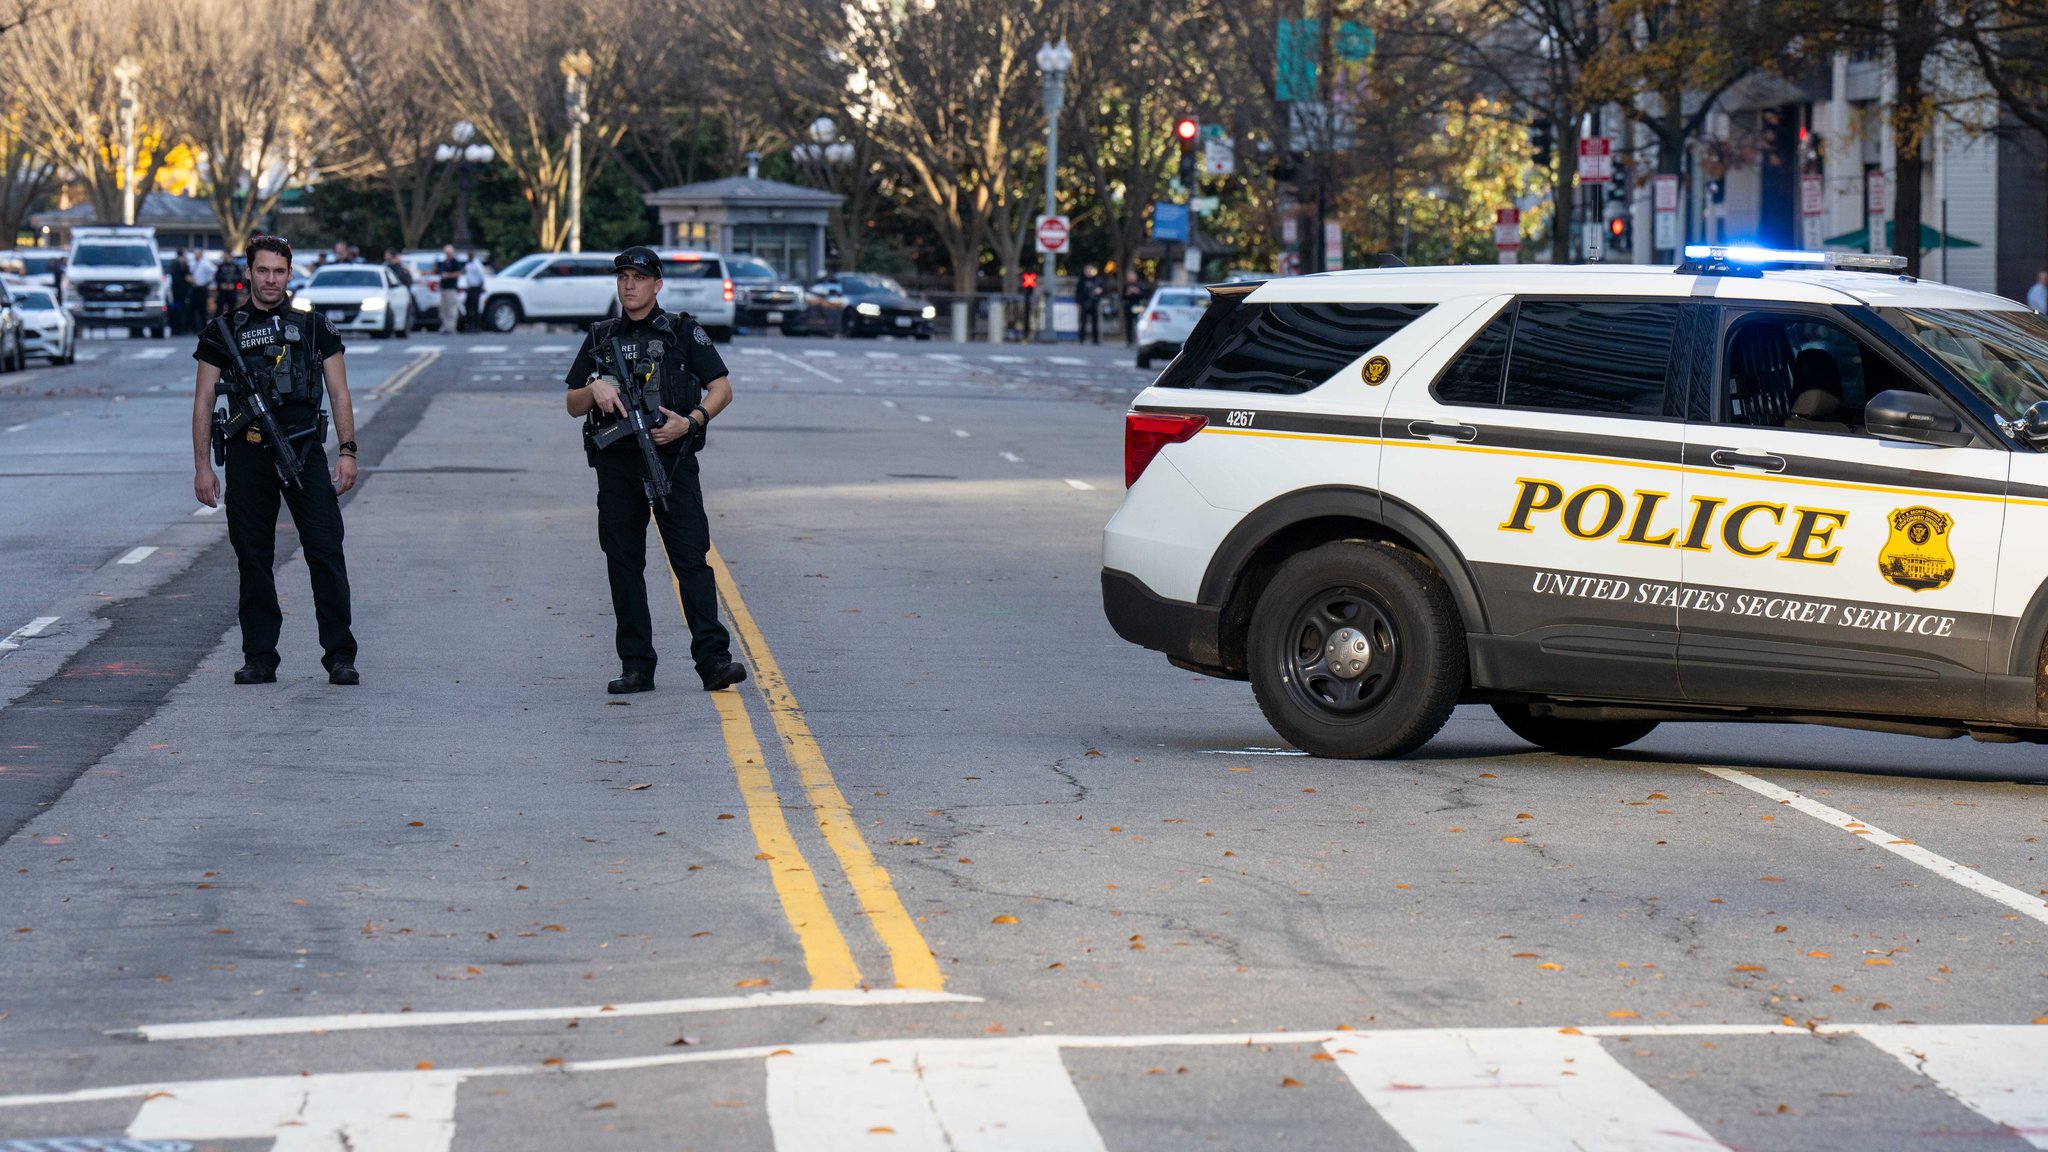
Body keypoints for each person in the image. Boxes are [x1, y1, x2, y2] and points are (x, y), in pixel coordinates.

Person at [562, 246, 745, 695]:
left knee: (691, 561)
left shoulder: (682, 331)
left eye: (639, 278)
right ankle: (637, 666)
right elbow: (571, 403)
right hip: (617, 465)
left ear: (656, 285)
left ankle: (714, 660)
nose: (629, 285)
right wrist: (596, 385)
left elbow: (722, 387)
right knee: (624, 564)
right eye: (622, 277)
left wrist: (692, 420)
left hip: (673, 461)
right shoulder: (602, 336)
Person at [190, 234, 360, 686]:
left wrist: (347, 451)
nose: (270, 279)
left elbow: (340, 392)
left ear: (290, 273)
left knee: (325, 550)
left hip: (302, 451)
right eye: (262, 270)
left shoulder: (313, 326)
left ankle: (340, 655)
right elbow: (204, 399)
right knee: (253, 556)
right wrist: (203, 466)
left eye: (279, 271)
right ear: (248, 273)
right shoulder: (223, 331)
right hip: (247, 454)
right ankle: (260, 656)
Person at [435, 244, 462, 333]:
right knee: (443, 308)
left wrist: (448, 275)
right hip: (444, 288)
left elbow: (458, 273)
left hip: (451, 288)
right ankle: (445, 325)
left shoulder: (455, 262)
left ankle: (451, 326)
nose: (447, 254)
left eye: (449, 252)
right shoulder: (444, 262)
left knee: (451, 308)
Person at [1075, 263, 1102, 345]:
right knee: (1083, 322)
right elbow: (1078, 292)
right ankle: (1081, 338)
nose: (1089, 272)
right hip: (1084, 303)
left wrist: (1099, 292)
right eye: (1087, 270)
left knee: (1095, 322)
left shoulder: (1096, 280)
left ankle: (1095, 339)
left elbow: (1101, 290)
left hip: (1094, 303)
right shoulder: (1082, 280)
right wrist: (1078, 303)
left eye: (1090, 270)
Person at [167, 249, 193, 334]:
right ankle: (179, 328)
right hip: (181, 291)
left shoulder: (174, 263)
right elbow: (186, 277)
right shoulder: (182, 264)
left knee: (177, 308)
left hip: (176, 290)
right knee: (180, 309)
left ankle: (176, 328)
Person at [460, 251, 487, 332]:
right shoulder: (468, 264)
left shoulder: (477, 264)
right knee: (468, 307)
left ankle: (476, 325)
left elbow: (481, 276)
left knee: (475, 307)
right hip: (470, 287)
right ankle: (469, 325)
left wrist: (482, 286)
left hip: (476, 287)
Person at [1121, 272, 1145, 344]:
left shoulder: (1139, 285)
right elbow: (1122, 297)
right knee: (1129, 324)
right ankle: (1129, 340)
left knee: (1139, 323)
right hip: (1128, 306)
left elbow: (1143, 295)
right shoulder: (1126, 286)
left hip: (1137, 306)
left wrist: (1138, 292)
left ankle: (1139, 338)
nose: (1132, 278)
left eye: (1133, 277)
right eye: (1130, 277)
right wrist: (1128, 293)